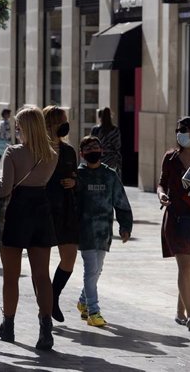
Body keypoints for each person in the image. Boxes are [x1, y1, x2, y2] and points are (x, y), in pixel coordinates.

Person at [0, 106, 58, 350]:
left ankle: (8, 326)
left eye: (18, 127)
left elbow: (6, 189)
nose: (16, 131)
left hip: (18, 213)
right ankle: (45, 330)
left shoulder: (12, 153)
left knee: (11, 276)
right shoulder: (52, 154)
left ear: (25, 128)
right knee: (42, 276)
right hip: (41, 211)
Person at [75, 135, 132, 327]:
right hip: (85, 232)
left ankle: (83, 301)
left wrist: (125, 226)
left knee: (97, 270)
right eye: (88, 149)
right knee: (91, 270)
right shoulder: (78, 177)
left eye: (95, 148)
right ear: (82, 154)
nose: (93, 152)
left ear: (102, 151)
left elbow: (121, 202)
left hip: (104, 232)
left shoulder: (110, 175)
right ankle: (94, 311)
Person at [43, 106, 79, 323]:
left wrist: (74, 182)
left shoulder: (68, 151)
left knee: (70, 257)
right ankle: (46, 307)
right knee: (42, 263)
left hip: (66, 208)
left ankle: (54, 296)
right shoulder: (39, 150)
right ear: (52, 124)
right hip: (44, 209)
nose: (66, 124)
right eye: (63, 120)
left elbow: (76, 176)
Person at [158, 117, 190, 331]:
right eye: (178, 130)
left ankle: (180, 311)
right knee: (185, 266)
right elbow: (161, 182)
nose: (180, 134)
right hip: (176, 218)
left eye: (185, 130)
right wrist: (161, 195)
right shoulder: (171, 158)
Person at [90, 107, 122, 177]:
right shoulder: (115, 130)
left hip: (98, 159)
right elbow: (117, 146)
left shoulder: (95, 130)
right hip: (112, 160)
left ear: (99, 117)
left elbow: (91, 144)